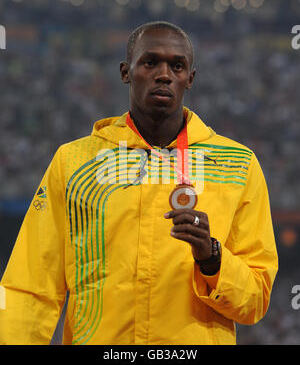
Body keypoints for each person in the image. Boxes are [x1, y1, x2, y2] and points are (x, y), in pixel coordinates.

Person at [0, 21, 278, 345]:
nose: (164, 74)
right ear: (125, 72)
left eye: (177, 66)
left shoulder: (237, 165)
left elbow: (255, 301)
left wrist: (213, 258)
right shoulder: (74, 162)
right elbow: (31, 287)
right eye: (150, 62)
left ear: (190, 78)